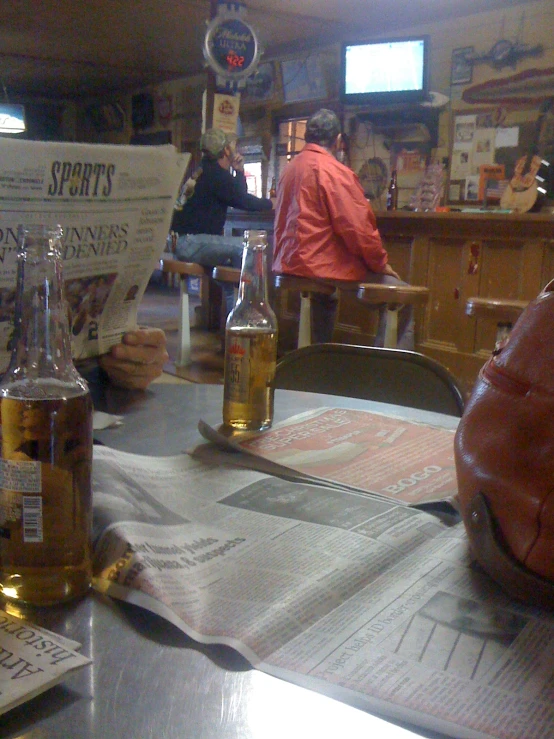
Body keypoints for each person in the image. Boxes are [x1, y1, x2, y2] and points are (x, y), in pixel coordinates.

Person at [273, 108, 414, 348]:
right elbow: (359, 230)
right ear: (339, 141)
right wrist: (381, 265)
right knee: (402, 297)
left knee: (325, 295)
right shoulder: (334, 171)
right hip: (317, 265)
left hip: (287, 264)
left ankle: (316, 362)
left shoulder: (289, 169)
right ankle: (387, 374)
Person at [171, 128, 273, 313]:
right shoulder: (217, 175)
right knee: (247, 248)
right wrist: (271, 204)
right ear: (226, 150)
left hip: (183, 241)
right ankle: (253, 313)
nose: (236, 148)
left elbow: (237, 195)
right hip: (191, 242)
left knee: (229, 276)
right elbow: (244, 201)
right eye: (232, 145)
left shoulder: (203, 171)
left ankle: (233, 326)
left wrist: (239, 171)